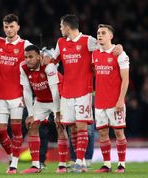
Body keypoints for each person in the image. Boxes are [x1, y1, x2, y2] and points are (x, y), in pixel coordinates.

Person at [47, 14, 123, 172]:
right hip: (67, 91)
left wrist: (119, 47)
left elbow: (106, 48)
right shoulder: (61, 42)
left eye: (61, 26)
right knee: (72, 128)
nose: (60, 29)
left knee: (82, 126)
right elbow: (53, 60)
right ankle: (77, 160)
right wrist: (46, 61)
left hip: (84, 91)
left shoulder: (88, 40)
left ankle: (81, 162)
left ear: (67, 27)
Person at [0, 13, 32, 173]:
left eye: (12, 26)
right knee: (1, 131)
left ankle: (14, 164)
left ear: (18, 27)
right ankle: (12, 156)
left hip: (17, 95)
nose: (9, 30)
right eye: (6, 27)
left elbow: (37, 55)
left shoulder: (25, 45)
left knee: (16, 130)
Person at [19, 45, 68, 174]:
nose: (27, 60)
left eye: (31, 57)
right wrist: (30, 114)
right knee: (32, 126)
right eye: (25, 57)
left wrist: (57, 112)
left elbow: (55, 90)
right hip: (40, 100)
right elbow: (27, 91)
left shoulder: (49, 67)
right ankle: (36, 165)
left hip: (58, 97)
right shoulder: (23, 67)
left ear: (39, 57)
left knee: (60, 126)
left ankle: (62, 165)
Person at [93, 24, 129, 173]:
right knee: (102, 133)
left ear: (111, 36)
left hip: (115, 101)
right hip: (100, 102)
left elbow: (125, 79)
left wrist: (121, 100)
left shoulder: (120, 54)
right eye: (98, 33)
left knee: (119, 132)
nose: (99, 35)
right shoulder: (94, 53)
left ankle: (121, 164)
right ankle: (107, 164)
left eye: (103, 33)